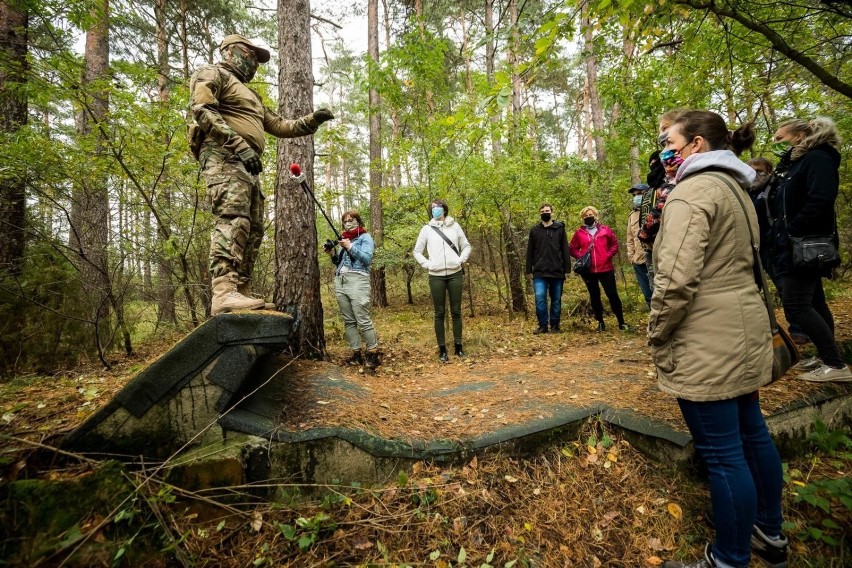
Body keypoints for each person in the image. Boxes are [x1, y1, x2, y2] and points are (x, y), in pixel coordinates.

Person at [650, 110, 787, 568]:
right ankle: (768, 531)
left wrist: (658, 331)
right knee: (752, 433)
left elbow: (674, 279)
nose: (664, 153)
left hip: (707, 336)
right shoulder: (734, 187)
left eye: (670, 142)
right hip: (741, 328)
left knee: (723, 452)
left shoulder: (693, 193)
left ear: (697, 146)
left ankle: (728, 559)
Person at [189, 34, 334, 315]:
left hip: (247, 164)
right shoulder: (212, 73)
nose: (254, 62)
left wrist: (311, 121)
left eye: (257, 59)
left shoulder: (251, 95)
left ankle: (240, 290)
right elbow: (202, 110)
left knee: (253, 227)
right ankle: (223, 292)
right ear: (231, 51)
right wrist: (238, 144)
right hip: (224, 156)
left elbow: (279, 125)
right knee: (232, 218)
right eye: (250, 54)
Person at [767, 118, 850, 382]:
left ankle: (836, 366)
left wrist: (792, 229)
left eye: (780, 139)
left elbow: (821, 200)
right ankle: (828, 357)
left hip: (805, 244)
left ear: (800, 135)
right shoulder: (797, 164)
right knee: (814, 301)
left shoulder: (818, 159)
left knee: (796, 304)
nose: (777, 145)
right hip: (795, 242)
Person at [747, 157, 809, 346]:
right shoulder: (747, 191)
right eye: (750, 171)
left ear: (769, 170)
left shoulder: (776, 189)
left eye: (759, 170)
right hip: (753, 248)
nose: (755, 175)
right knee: (751, 288)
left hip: (774, 246)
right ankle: (758, 330)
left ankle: (799, 330)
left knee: (785, 288)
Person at [413, 199, 472, 362]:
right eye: (432, 208)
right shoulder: (426, 229)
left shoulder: (455, 226)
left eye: (437, 207)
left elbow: (466, 245)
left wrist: (461, 260)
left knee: (456, 311)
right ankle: (442, 349)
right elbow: (417, 251)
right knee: (439, 312)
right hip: (436, 275)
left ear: (444, 209)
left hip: (455, 273)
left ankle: (459, 347)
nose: (435, 210)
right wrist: (427, 264)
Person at [325, 211, 380, 369]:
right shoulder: (343, 239)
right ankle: (356, 354)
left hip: (358, 280)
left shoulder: (365, 238)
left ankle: (373, 354)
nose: (348, 223)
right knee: (349, 321)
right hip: (341, 281)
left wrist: (350, 246)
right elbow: (340, 262)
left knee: (363, 319)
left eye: (351, 220)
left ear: (358, 221)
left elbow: (367, 259)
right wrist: (332, 253)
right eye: (345, 221)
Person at [639, 109, 687, 283]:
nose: (664, 153)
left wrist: (644, 234)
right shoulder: (668, 179)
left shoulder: (686, 178)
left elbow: (660, 210)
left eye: (668, 142)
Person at [569, 207, 626, 332]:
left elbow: (614, 244)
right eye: (585, 216)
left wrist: (607, 255)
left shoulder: (605, 230)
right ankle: (600, 322)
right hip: (588, 271)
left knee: (612, 294)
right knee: (594, 296)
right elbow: (572, 248)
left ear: (595, 215)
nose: (588, 217)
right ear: (582, 218)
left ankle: (621, 322)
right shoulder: (579, 233)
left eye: (590, 214)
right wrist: (581, 256)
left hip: (606, 268)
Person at [525, 203, 571, 334]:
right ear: (539, 213)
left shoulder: (559, 228)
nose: (545, 212)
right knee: (540, 298)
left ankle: (555, 326)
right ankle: (543, 325)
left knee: (556, 300)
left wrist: (567, 269)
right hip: (539, 271)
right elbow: (530, 251)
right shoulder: (534, 230)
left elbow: (564, 249)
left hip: (557, 270)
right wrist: (528, 269)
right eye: (543, 211)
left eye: (547, 210)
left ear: (552, 212)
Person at [626, 183, 652, 308]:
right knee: (647, 294)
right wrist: (631, 257)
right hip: (639, 261)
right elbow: (630, 238)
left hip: (654, 257)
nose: (637, 197)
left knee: (659, 291)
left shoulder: (654, 209)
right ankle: (654, 323)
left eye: (640, 194)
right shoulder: (632, 215)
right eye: (635, 195)